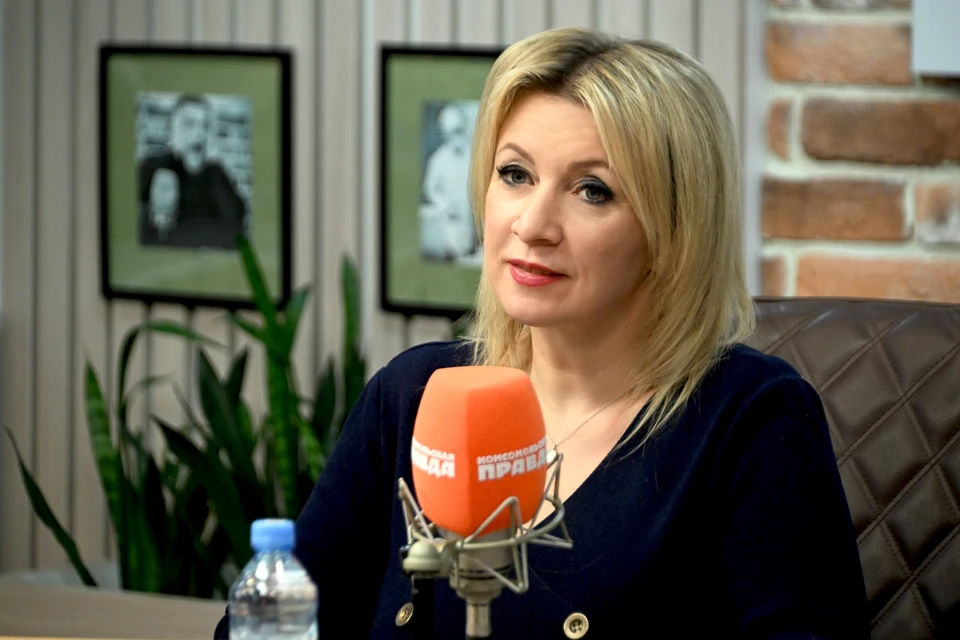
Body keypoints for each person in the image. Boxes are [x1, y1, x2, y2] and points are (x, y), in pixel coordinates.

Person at [214, 27, 869, 638]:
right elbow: (263, 627)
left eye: (592, 190)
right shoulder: (411, 395)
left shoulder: (752, 418)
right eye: (515, 175)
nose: (531, 224)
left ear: (673, 229)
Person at [137, 93, 248, 250]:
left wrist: (212, 165)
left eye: (204, 125)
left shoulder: (216, 174)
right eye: (189, 124)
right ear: (172, 128)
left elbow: (236, 220)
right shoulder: (154, 166)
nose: (199, 133)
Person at [419, 102, 480, 263]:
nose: (458, 135)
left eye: (460, 129)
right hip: (453, 219)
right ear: (445, 133)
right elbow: (430, 189)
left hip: (475, 219)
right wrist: (444, 204)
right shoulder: (438, 160)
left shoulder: (475, 155)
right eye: (453, 131)